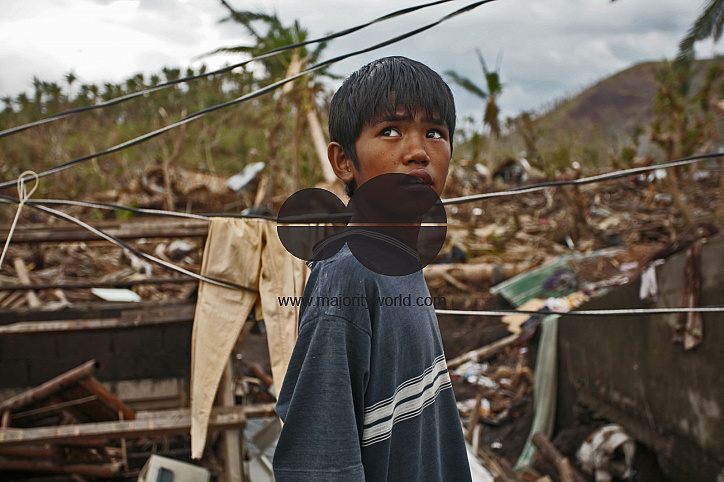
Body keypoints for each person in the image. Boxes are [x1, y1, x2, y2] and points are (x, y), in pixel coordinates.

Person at [273, 56, 472, 481]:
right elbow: (318, 465)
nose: (419, 151)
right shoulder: (347, 275)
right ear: (344, 161)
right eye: (390, 131)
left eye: (435, 133)